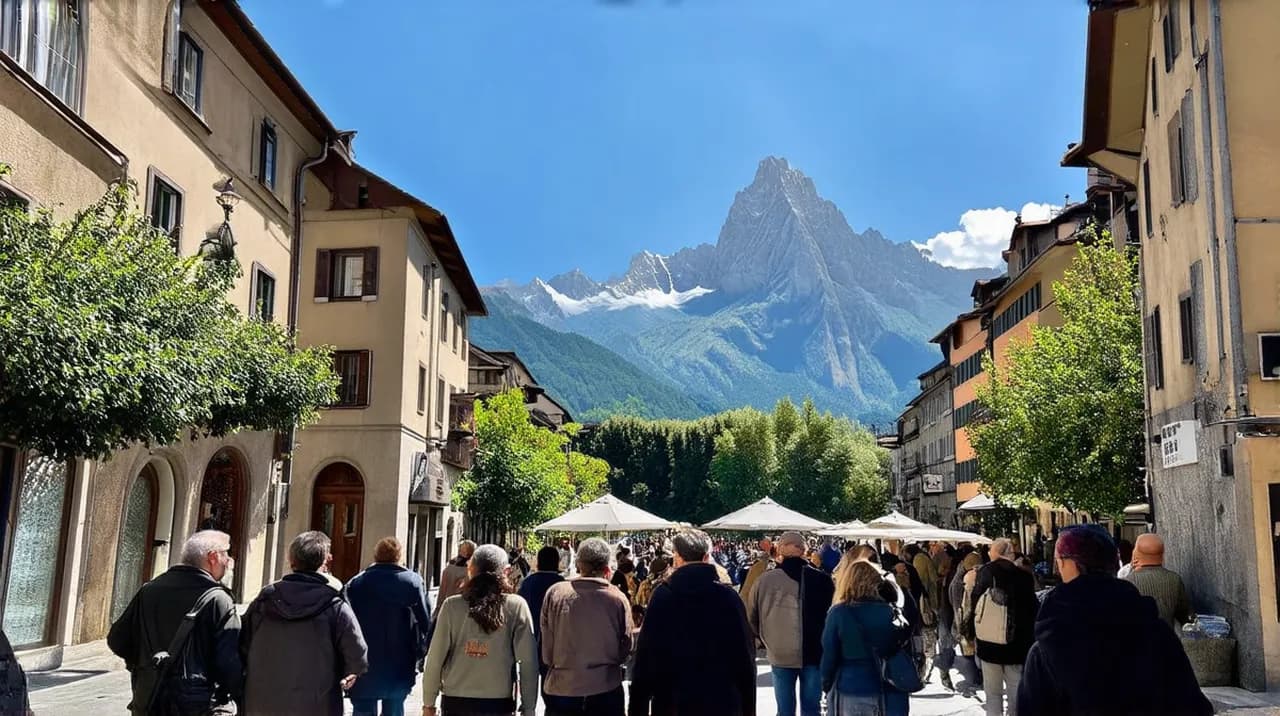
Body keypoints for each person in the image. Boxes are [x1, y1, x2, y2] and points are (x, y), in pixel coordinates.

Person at [1016, 525, 1212, 716]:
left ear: (1069, 564)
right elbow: (1193, 706)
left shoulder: (1049, 645)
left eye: (1058, 559)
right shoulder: (1157, 632)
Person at [108, 530, 242, 715]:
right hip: (197, 702)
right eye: (226, 553)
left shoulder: (150, 590)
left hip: (149, 697)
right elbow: (228, 661)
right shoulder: (218, 600)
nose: (229, 561)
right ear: (212, 557)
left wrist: (146, 666)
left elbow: (117, 640)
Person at [629, 529, 756, 716]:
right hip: (722, 700)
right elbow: (745, 657)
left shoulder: (663, 596)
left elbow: (646, 656)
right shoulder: (728, 597)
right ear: (706, 557)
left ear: (677, 557)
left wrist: (637, 708)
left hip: (672, 701)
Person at [241, 531, 369, 716]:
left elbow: (242, 644)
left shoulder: (265, 599)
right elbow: (357, 653)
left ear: (291, 560)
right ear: (326, 561)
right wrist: (350, 673)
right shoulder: (335, 605)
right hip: (318, 703)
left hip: (263, 702)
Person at [421, 544, 538, 716]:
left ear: (471, 569)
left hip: (456, 700)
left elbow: (435, 658)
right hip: (498, 701)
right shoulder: (516, 606)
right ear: (506, 571)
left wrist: (428, 703)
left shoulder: (452, 606)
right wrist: (529, 708)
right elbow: (528, 662)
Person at [541, 538, 634, 716]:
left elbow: (547, 646)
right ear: (607, 568)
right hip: (605, 687)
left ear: (578, 564)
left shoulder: (555, 593)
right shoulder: (617, 598)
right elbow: (626, 647)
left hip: (562, 687)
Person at [748, 531, 835, 716]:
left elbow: (752, 616)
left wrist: (765, 640)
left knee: (784, 709)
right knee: (812, 708)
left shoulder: (764, 580)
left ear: (780, 549)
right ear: (805, 550)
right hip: (814, 650)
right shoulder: (823, 580)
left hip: (779, 652)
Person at [345, 537, 433, 716]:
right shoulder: (412, 582)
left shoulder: (357, 583)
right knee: (394, 708)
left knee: (363, 708)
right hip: (399, 660)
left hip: (364, 659)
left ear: (376, 555)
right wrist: (424, 650)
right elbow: (426, 622)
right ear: (399, 556)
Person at [821, 556, 909, 716]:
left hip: (851, 687)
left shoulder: (838, 613)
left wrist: (826, 684)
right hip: (888, 688)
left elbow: (829, 654)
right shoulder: (891, 612)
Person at [964, 539, 1037, 716]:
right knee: (1015, 691)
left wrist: (970, 634)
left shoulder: (984, 572)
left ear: (995, 553)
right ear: (1010, 554)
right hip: (1017, 644)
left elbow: (974, 606)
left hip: (989, 644)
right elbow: (1032, 609)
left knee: (993, 693)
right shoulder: (1025, 576)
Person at [1122, 533, 1192, 631]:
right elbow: (1185, 616)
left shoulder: (1128, 582)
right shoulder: (1174, 579)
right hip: (1166, 640)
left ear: (1136, 554)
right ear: (1162, 554)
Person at [516, 545, 566, 666]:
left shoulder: (527, 583)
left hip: (529, 635)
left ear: (538, 562)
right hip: (554, 640)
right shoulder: (562, 584)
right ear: (557, 562)